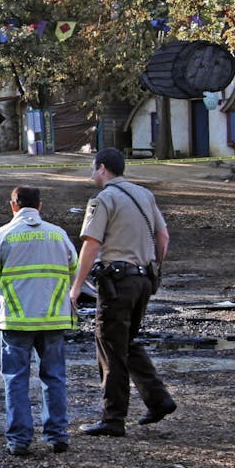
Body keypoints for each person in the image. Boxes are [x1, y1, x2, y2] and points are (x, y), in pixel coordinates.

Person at [68, 148, 174, 437]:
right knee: (126, 340)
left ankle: (112, 418)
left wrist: (76, 287)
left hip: (117, 282)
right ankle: (158, 399)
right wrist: (154, 268)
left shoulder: (103, 199)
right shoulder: (144, 195)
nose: (92, 175)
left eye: (93, 169)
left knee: (110, 345)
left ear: (102, 168)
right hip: (143, 280)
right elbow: (163, 237)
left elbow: (91, 244)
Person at [0, 186, 78, 455]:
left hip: (16, 320)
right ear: (39, 206)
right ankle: (58, 436)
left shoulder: (3, 235)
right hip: (53, 319)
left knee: (16, 379)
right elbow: (73, 269)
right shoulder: (58, 235)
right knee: (54, 377)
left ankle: (19, 440)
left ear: (13, 206)